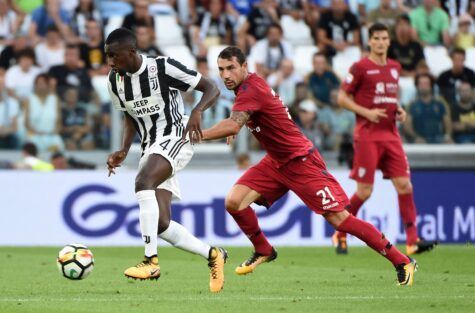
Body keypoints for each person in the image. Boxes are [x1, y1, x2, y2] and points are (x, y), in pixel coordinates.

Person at [199, 45, 418, 287]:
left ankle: (402, 261)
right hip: (276, 161)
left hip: (301, 161)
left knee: (339, 219)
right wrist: (234, 123)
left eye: (231, 68)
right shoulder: (247, 87)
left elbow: (233, 124)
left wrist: (198, 134)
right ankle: (263, 249)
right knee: (234, 201)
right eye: (221, 70)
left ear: (244, 67)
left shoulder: (251, 89)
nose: (225, 75)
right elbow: (241, 117)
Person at [103, 28, 226, 292]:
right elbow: (128, 116)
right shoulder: (115, 80)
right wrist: (124, 149)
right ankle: (214, 254)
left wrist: (197, 111)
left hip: (176, 137)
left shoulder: (162, 68)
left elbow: (211, 88)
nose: (111, 62)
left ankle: (150, 260)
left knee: (143, 181)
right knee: (160, 223)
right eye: (107, 56)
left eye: (115, 56)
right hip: (151, 147)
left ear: (132, 52)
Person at [334, 23, 437, 256]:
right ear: (369, 41)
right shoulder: (360, 67)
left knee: (404, 185)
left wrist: (399, 109)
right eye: (377, 39)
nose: (381, 42)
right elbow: (342, 98)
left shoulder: (394, 67)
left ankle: (412, 240)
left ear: (389, 42)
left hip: (390, 134)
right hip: (367, 135)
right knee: (364, 191)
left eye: (384, 38)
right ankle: (340, 232)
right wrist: (366, 112)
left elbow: (388, 96)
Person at [404, 73, 452, 143]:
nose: (423, 86)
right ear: (417, 86)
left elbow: (448, 122)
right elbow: (407, 126)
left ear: (431, 86)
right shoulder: (412, 105)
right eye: (421, 84)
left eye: (426, 84)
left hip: (438, 138)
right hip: (419, 139)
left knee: (450, 143)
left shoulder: (440, 103)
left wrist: (447, 136)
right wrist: (416, 137)